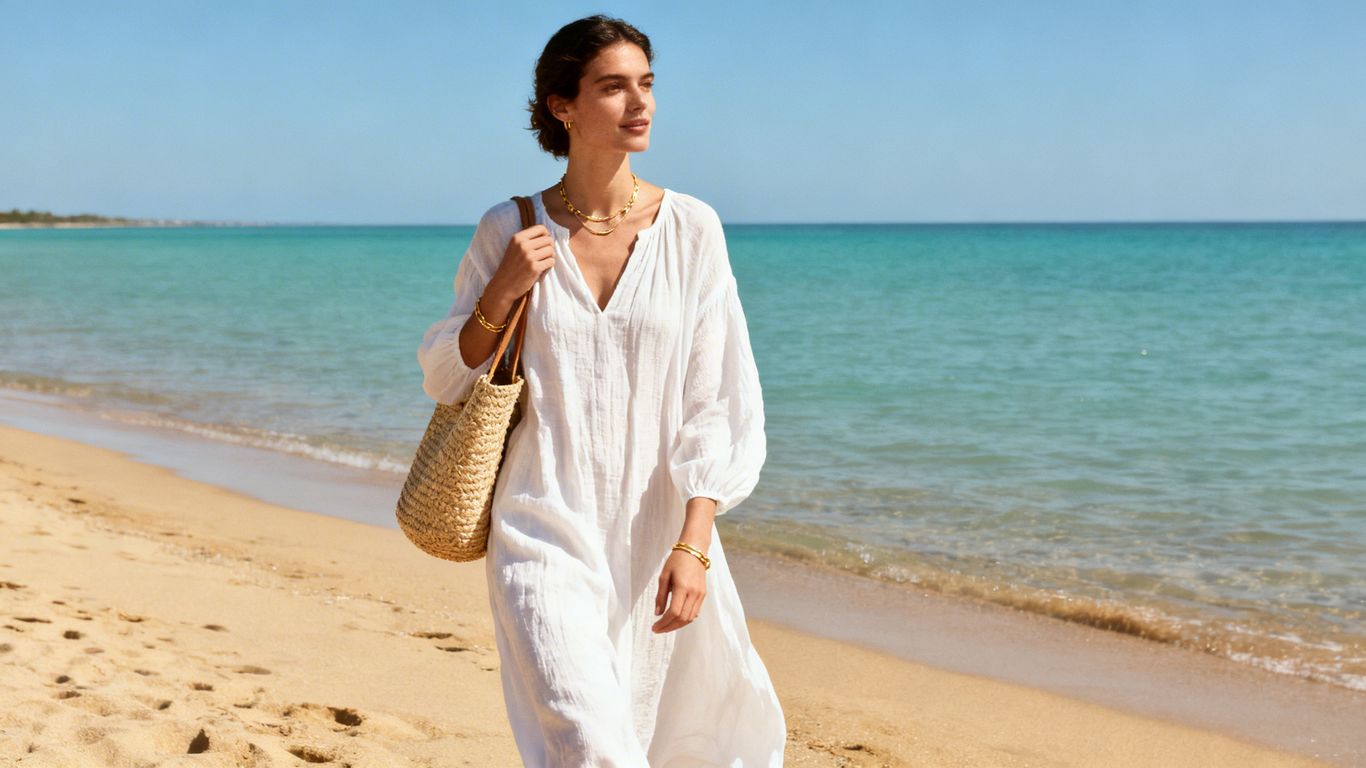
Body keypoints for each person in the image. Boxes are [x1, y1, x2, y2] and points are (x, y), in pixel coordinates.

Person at [417, 14, 786, 766]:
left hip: (653, 535)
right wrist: (505, 287)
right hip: (540, 522)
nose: (639, 103)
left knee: (659, 735)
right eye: (613, 87)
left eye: (646, 84)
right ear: (563, 105)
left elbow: (716, 398)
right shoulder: (509, 226)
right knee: (589, 741)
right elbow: (447, 371)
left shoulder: (691, 230)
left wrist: (695, 541)